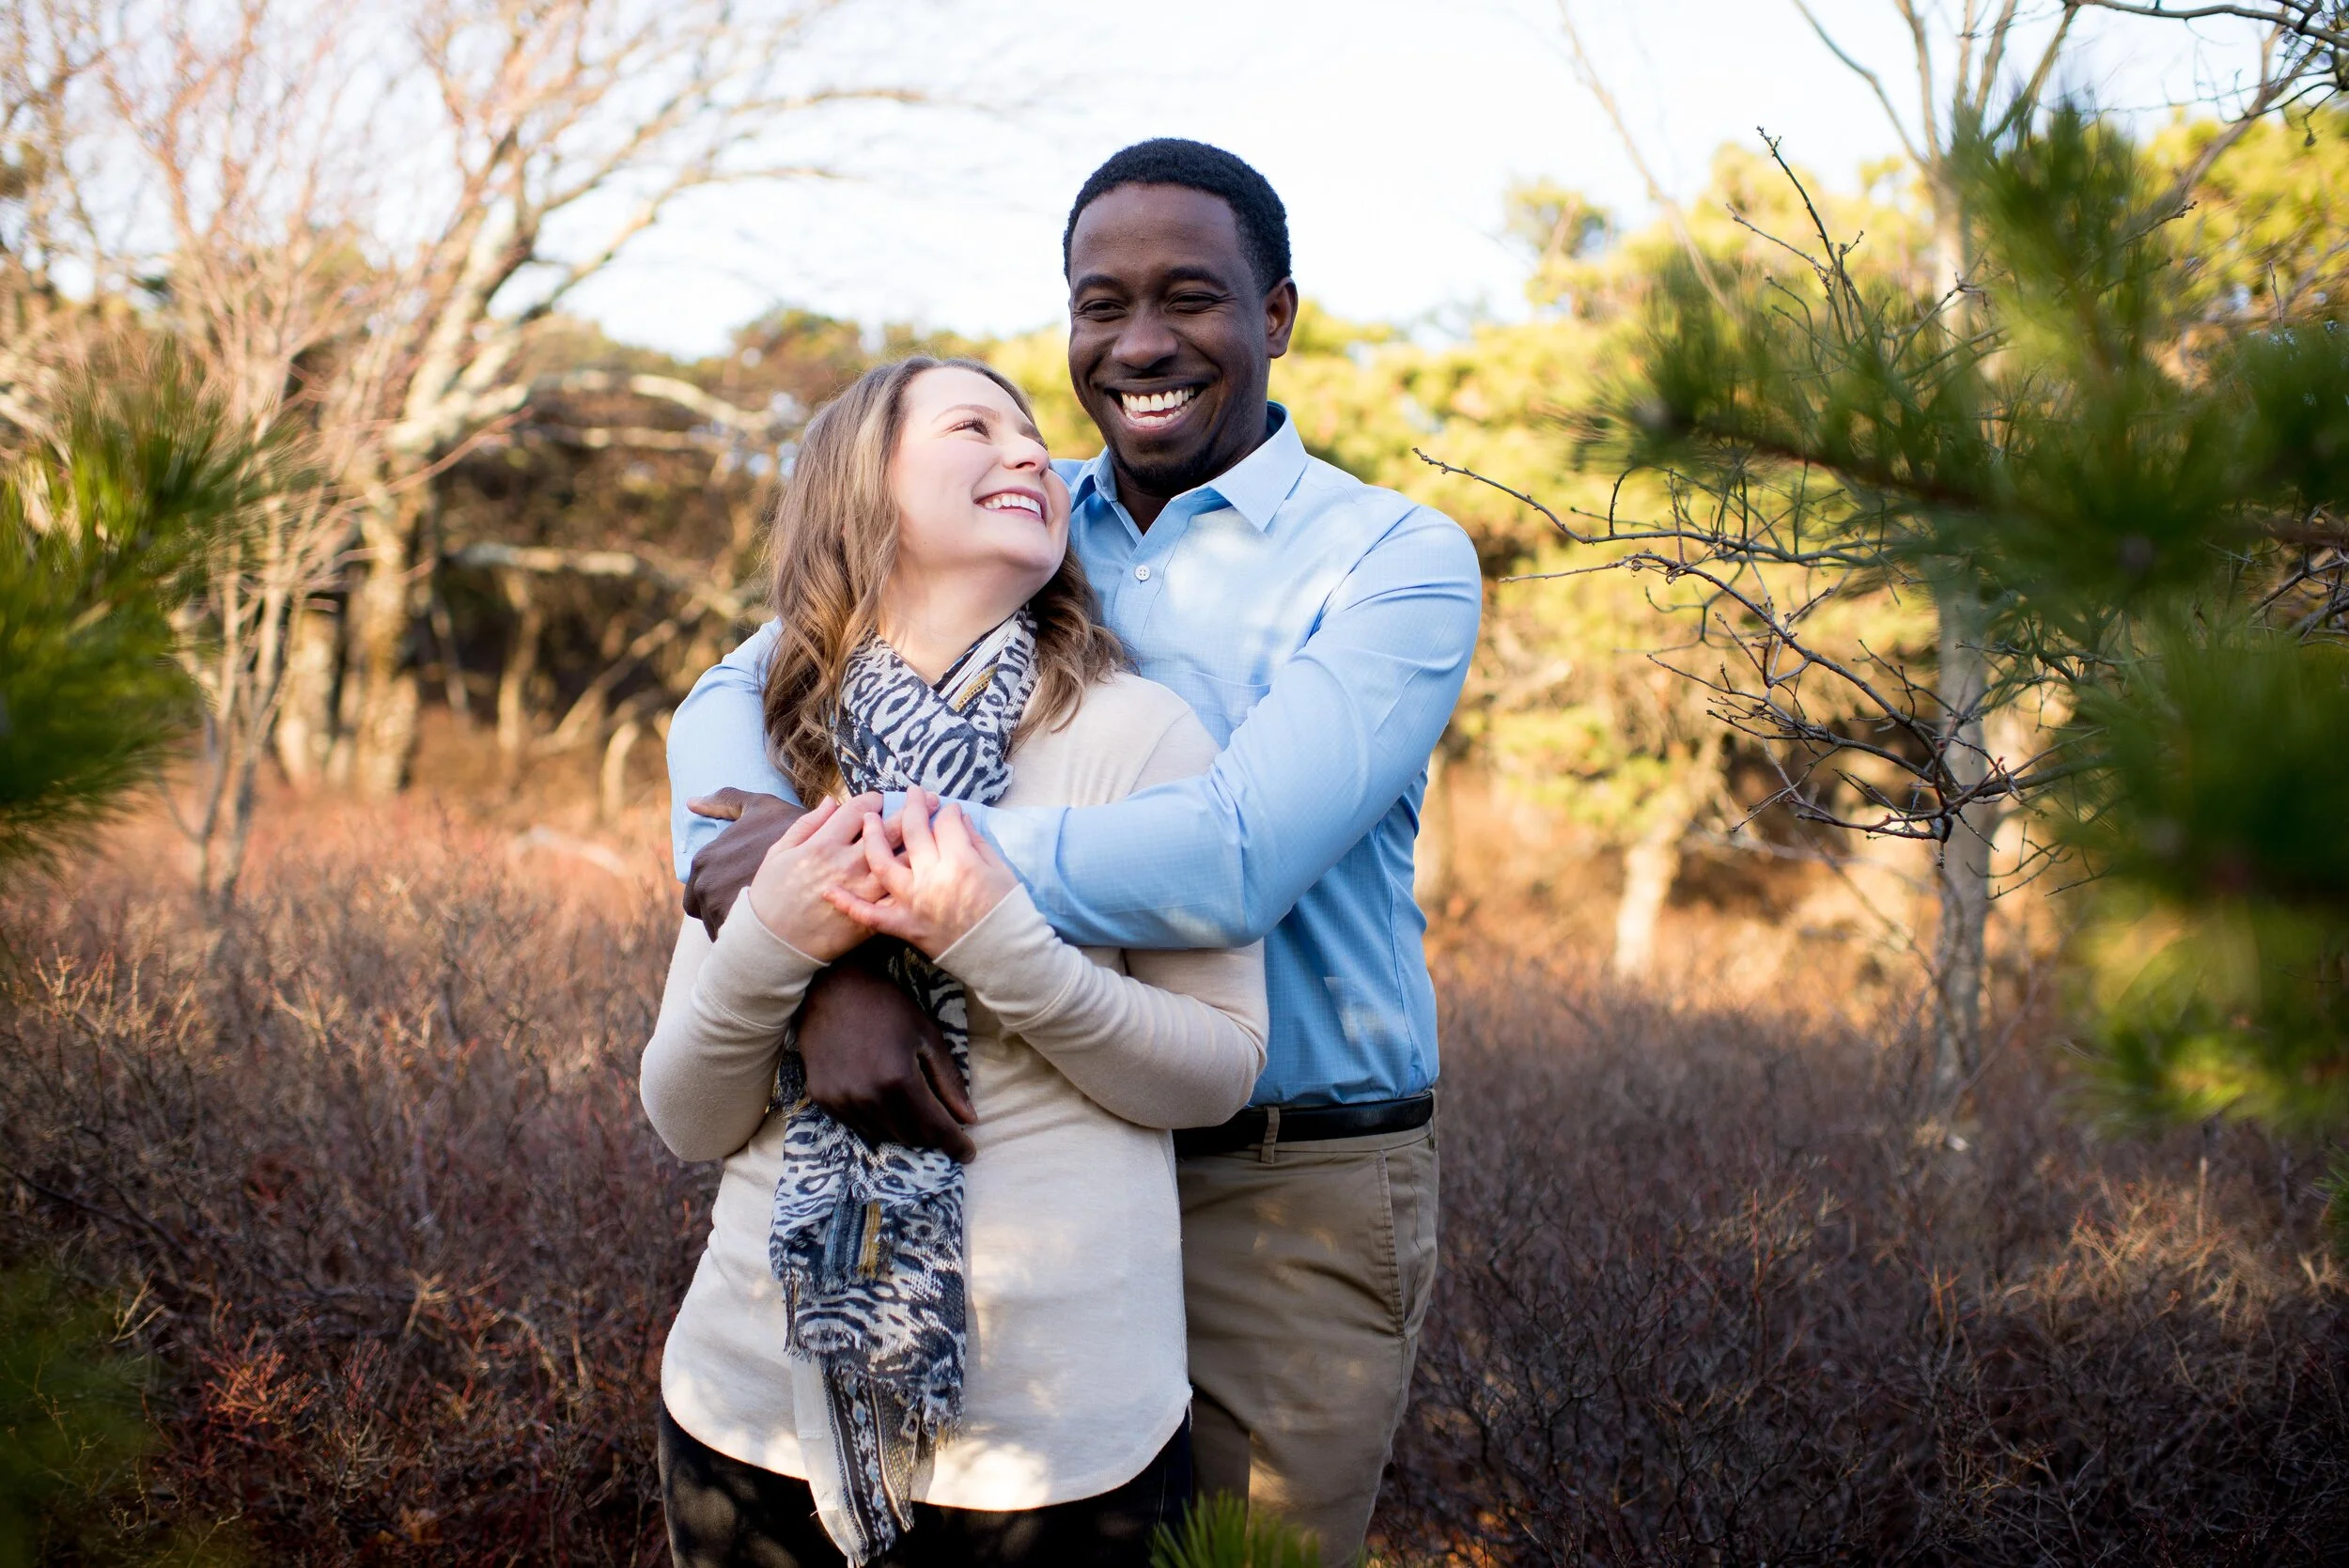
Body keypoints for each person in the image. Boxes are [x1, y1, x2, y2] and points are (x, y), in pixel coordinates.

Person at [670, 139, 1482, 1563]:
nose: (1141, 343)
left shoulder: (1390, 558)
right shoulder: (1029, 512)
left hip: (1280, 1175)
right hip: (1023, 1136)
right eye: (1099, 305)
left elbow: (1232, 857)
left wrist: (864, 874)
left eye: (1191, 298)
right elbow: (737, 694)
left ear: (1276, 314)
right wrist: (822, 959)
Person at [641, 355, 1268, 1567]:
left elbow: (1217, 1071)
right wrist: (788, 941)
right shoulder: (772, 749)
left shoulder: (1140, 733)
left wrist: (992, 939)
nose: (1034, 452)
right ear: (857, 487)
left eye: (1036, 436)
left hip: (1064, 1439)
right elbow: (684, 1111)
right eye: (975, 426)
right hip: (748, 1412)